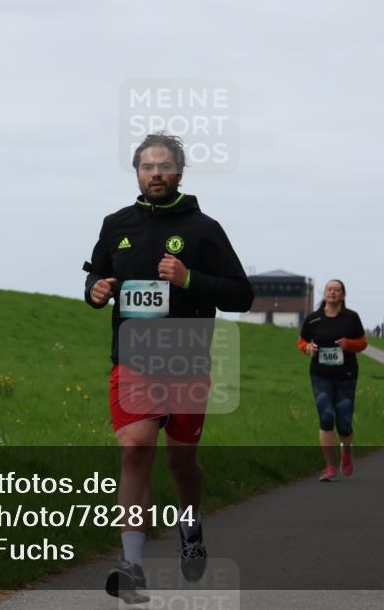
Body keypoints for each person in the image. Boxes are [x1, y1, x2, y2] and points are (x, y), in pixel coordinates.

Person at [84, 133, 254, 600]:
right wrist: (96, 291)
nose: (155, 173)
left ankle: (190, 525)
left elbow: (241, 295)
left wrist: (189, 278)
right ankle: (132, 566)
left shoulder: (204, 229)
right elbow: (97, 274)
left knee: (181, 462)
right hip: (133, 360)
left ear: (179, 172)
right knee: (135, 450)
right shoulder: (116, 224)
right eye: (147, 166)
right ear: (137, 173)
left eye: (163, 166)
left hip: (185, 360)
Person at [296, 279, 367, 482]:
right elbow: (301, 342)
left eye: (337, 290)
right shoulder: (313, 319)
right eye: (329, 289)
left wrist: (348, 344)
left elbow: (362, 343)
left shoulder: (351, 318)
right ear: (324, 293)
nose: (333, 292)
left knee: (344, 422)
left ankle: (346, 452)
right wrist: (307, 348)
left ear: (343, 295)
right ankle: (329, 467)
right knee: (326, 418)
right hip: (320, 375)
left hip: (346, 375)